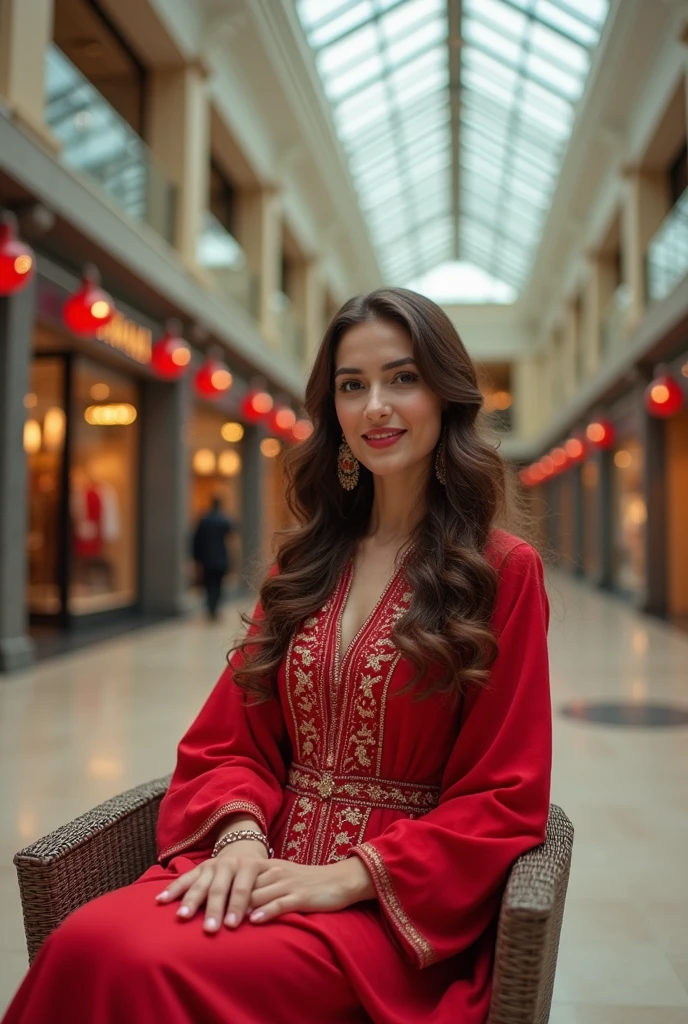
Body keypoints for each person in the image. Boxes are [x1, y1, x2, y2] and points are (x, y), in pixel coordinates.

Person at [2, 288, 552, 1024]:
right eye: (352, 386)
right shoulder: (305, 564)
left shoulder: (502, 571)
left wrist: (350, 878)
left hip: (386, 913)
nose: (375, 407)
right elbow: (228, 741)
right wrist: (237, 840)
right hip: (256, 870)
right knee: (86, 939)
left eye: (402, 378)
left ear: (445, 396)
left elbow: (505, 795)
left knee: (138, 962)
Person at [192, 495, 234, 620]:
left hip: (207, 559)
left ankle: (211, 608)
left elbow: (196, 540)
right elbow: (232, 533)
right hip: (220, 558)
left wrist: (196, 558)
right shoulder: (223, 520)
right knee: (218, 585)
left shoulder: (204, 520)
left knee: (208, 585)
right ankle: (214, 609)